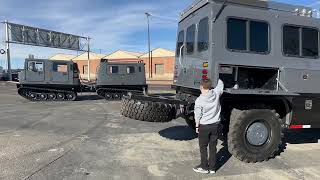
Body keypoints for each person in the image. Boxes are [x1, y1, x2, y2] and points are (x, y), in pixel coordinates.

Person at [193, 78, 224, 174]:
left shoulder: (199, 100)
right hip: (215, 125)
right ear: (210, 86)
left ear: (201, 87)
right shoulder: (216, 93)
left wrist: (197, 126)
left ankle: (204, 167)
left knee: (203, 147)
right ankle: (212, 168)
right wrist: (217, 77)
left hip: (204, 126)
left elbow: (197, 115)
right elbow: (221, 84)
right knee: (213, 147)